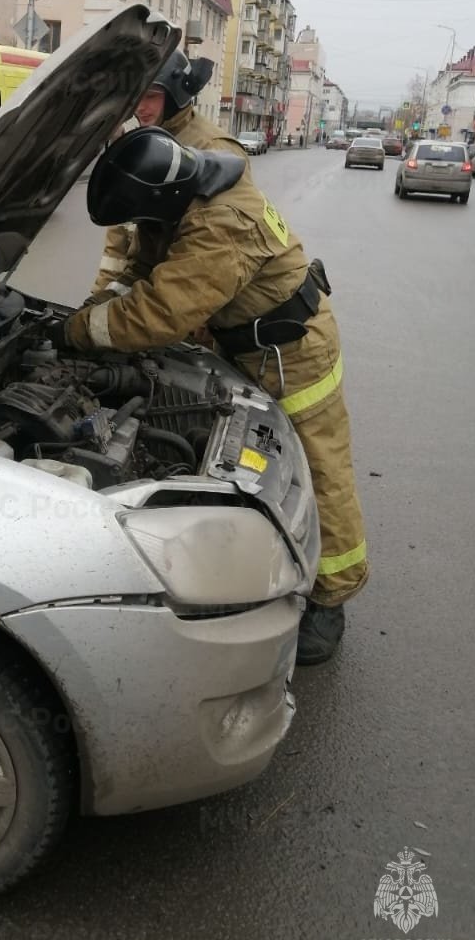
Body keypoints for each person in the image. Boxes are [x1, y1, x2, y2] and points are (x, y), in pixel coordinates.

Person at [61, 128, 369, 665]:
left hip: (292, 349)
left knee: (318, 467)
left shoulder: (221, 222)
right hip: (242, 341)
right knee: (251, 467)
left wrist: (78, 333)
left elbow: (161, 311)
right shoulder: (181, 195)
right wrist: (95, 306)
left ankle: (332, 596)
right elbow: (140, 269)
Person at [92, 50, 248, 297]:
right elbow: (120, 239)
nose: (140, 108)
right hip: (155, 286)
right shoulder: (148, 143)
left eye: (151, 96)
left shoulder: (215, 150)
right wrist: (99, 299)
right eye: (137, 97)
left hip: (190, 298)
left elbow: (216, 254)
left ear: (177, 95)